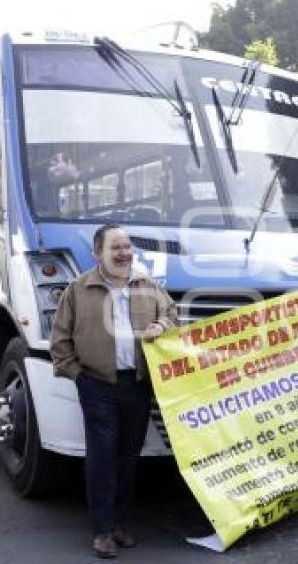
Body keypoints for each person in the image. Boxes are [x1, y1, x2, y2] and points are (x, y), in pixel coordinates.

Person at [50, 223, 177, 559]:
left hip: (135, 384)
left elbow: (171, 312)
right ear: (98, 254)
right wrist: (78, 376)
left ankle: (120, 523)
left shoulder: (147, 285)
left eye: (126, 247)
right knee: (102, 457)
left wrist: (160, 326)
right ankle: (102, 531)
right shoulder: (77, 289)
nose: (123, 253)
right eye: (115, 248)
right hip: (96, 384)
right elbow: (59, 341)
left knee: (127, 458)